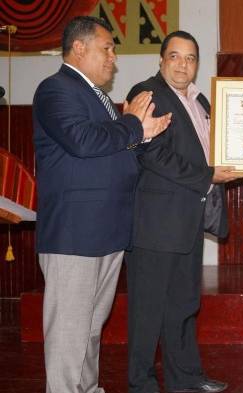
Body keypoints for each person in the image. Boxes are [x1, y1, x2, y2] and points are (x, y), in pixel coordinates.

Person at [33, 16, 171, 393]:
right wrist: (132, 126)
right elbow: (81, 140)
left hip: (106, 230)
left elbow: (107, 148)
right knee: (68, 334)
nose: (114, 57)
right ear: (79, 48)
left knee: (89, 330)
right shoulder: (55, 89)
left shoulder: (101, 99)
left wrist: (140, 137)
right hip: (75, 234)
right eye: (107, 48)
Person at [125, 31, 240, 393]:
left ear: (197, 64)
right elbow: (153, 155)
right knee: (148, 310)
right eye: (174, 56)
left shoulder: (201, 99)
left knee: (184, 305)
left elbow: (214, 145)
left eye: (190, 58)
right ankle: (141, 384)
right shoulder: (147, 94)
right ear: (161, 61)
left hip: (188, 219)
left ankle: (185, 378)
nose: (182, 64)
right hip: (156, 223)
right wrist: (209, 175)